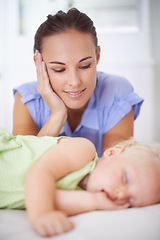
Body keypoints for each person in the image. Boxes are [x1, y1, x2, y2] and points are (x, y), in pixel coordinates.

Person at [12, 8, 143, 157]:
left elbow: (114, 170)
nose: (74, 82)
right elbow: (21, 172)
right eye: (59, 69)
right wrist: (57, 116)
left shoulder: (117, 93)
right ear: (38, 63)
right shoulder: (27, 101)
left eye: (84, 66)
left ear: (97, 56)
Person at [0, 127, 160, 237]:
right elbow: (41, 172)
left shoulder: (82, 198)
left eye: (131, 201)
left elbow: (49, 196)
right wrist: (42, 214)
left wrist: (96, 202)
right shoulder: (83, 150)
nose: (122, 194)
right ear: (113, 152)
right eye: (126, 178)